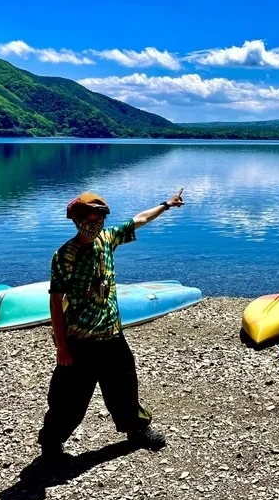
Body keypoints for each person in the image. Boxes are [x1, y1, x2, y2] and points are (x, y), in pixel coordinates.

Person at [37, 188, 185, 464]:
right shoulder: (65, 256)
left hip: (112, 335)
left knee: (125, 387)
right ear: (77, 221)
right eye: (89, 220)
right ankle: (51, 445)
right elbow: (56, 304)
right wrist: (61, 345)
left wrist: (166, 204)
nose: (95, 225)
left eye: (100, 220)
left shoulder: (107, 239)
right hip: (79, 339)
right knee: (68, 398)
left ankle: (137, 431)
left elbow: (138, 219)